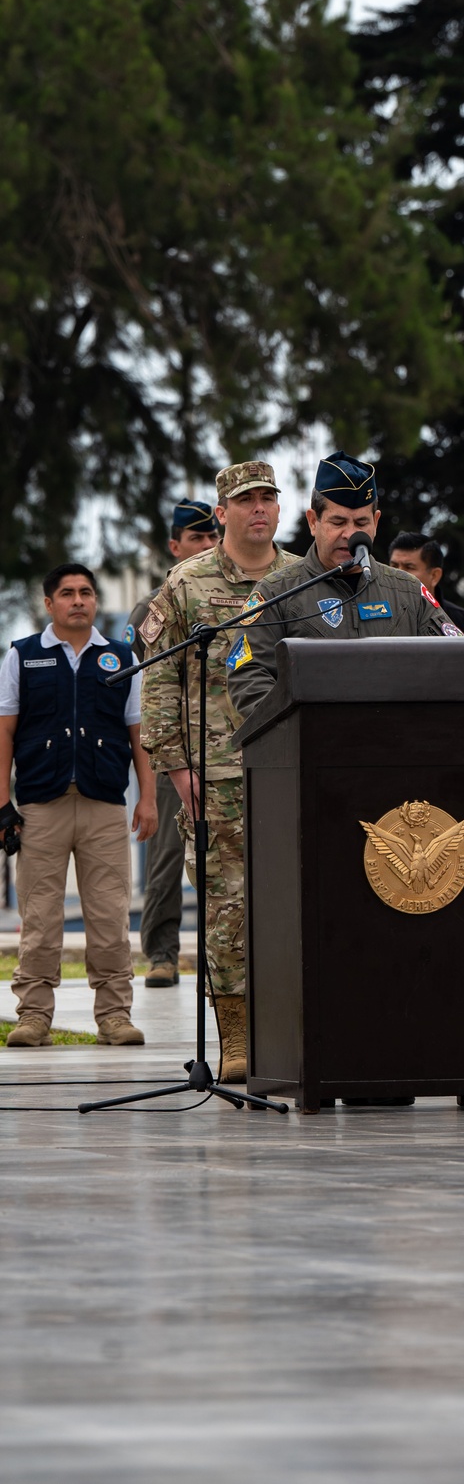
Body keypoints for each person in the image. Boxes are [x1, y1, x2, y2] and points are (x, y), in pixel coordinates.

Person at [140, 462, 301, 1081]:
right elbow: (158, 683)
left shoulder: (300, 580)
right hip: (217, 777)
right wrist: (178, 771)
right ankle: (235, 1039)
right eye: (246, 501)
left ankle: (294, 1028)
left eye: (268, 498)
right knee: (226, 906)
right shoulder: (186, 584)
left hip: (290, 771)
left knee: (296, 902)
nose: (259, 509)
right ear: (222, 513)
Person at [0, 564, 157, 1046]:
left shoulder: (119, 656)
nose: (78, 601)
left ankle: (114, 1016)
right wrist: (3, 803)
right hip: (40, 808)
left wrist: (147, 798)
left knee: (110, 916)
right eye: (67, 593)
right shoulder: (22, 657)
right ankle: (33, 1018)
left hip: (104, 805)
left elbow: (139, 735)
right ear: (49, 604)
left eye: (86, 592)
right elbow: (4, 731)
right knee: (41, 917)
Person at [227, 452, 461, 723]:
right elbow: (248, 676)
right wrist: (298, 726)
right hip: (312, 750)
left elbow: (456, 661)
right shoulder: (276, 592)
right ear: (314, 521)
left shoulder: (407, 591)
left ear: (376, 522)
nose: (350, 534)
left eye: (361, 522)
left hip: (399, 745)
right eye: (338, 522)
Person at [126, 499, 220, 988]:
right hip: (170, 752)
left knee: (225, 863)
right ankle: (161, 954)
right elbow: (138, 691)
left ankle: (222, 960)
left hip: (224, 746)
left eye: (211, 537)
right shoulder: (153, 606)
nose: (205, 546)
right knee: (165, 859)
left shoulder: (232, 592)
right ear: (174, 545)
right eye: (196, 538)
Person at [388, 531, 464, 637]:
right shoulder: (374, 617)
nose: (398, 574)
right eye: (393, 566)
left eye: (409, 567)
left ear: (434, 576)